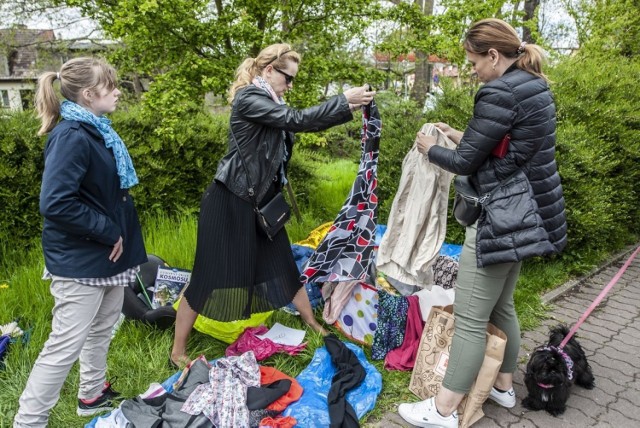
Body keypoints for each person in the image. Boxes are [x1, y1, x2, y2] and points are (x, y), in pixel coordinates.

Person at [398, 18, 567, 427]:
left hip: (500, 217)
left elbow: (464, 163)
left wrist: (430, 149)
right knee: (503, 305)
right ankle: (504, 388)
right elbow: (505, 149)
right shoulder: (534, 85)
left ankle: (442, 409)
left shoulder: (497, 91)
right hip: (530, 214)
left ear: (493, 56)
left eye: (473, 62)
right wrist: (461, 133)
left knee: (472, 319)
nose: (472, 70)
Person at [170, 43, 376, 367]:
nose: (290, 85)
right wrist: (344, 102)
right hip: (230, 202)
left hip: (261, 204)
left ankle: (311, 323)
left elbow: (288, 130)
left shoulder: (270, 101)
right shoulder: (250, 99)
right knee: (206, 277)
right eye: (288, 77)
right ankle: (177, 351)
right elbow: (297, 119)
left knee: (284, 266)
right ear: (269, 71)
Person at [14, 57, 147, 427]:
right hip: (81, 258)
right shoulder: (72, 135)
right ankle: (28, 421)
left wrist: (115, 235)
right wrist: (107, 230)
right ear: (90, 94)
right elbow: (56, 202)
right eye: (112, 85)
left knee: (103, 327)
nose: (119, 91)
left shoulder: (97, 129)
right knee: (64, 346)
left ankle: (91, 395)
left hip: (107, 255)